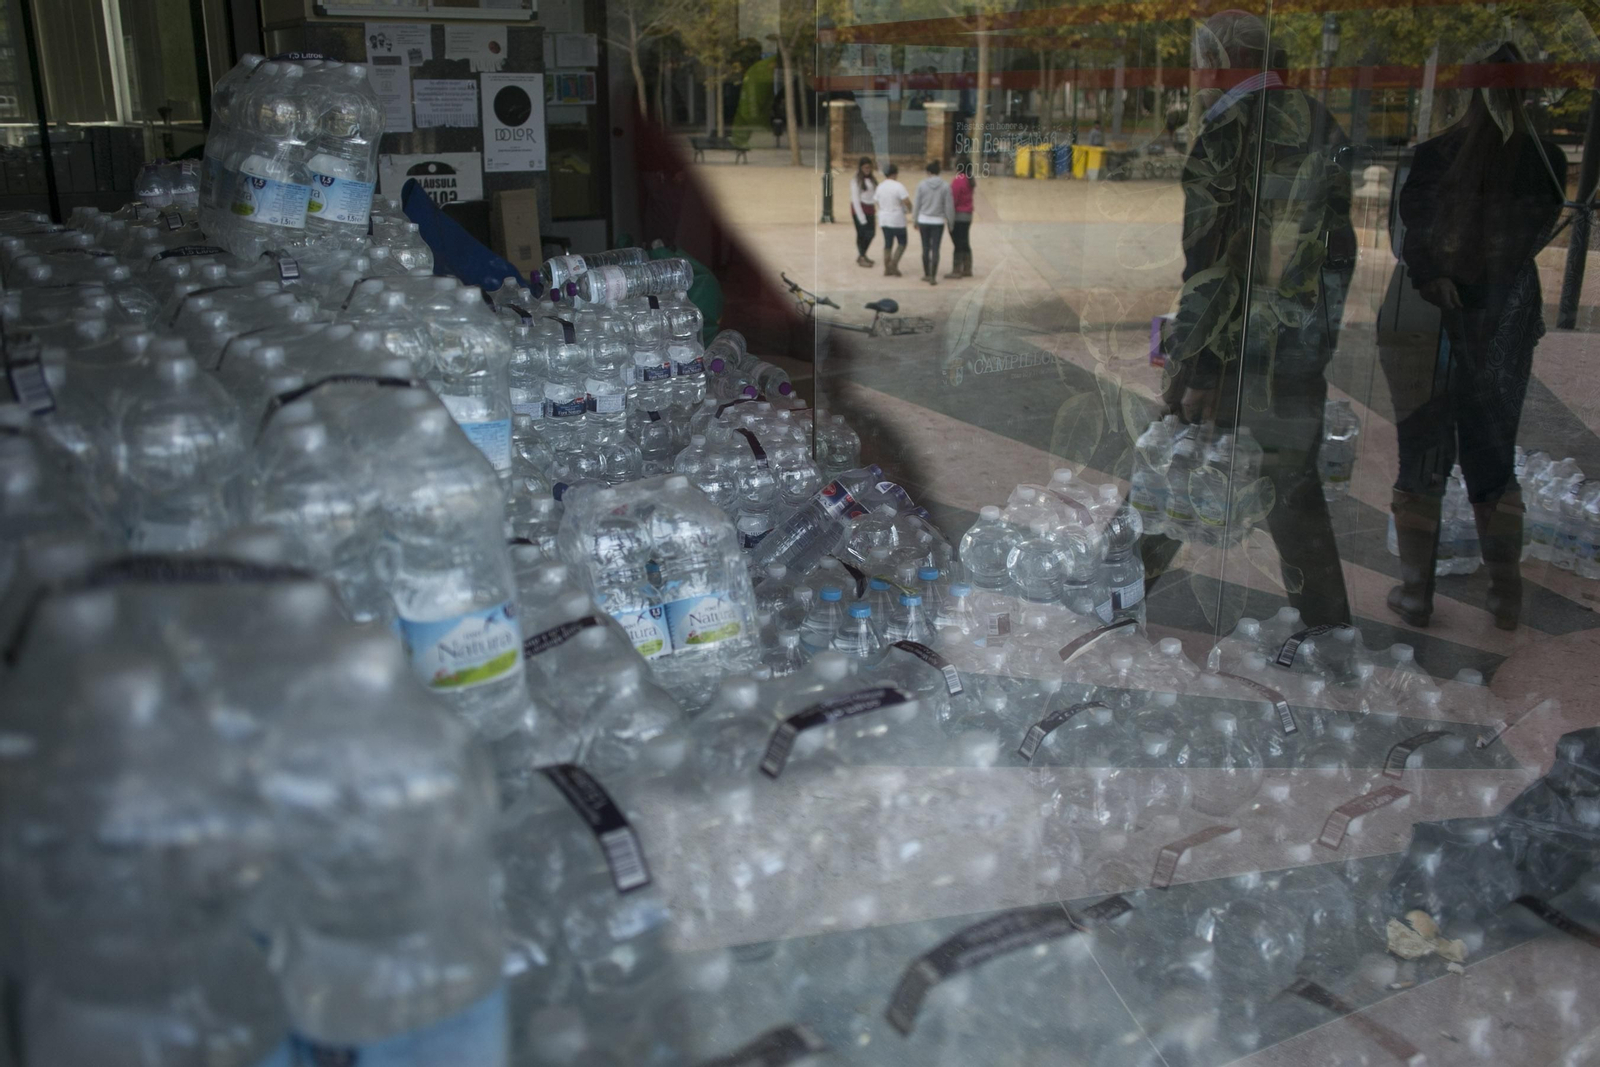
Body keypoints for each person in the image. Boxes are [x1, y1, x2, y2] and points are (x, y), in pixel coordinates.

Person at [1159, 9, 1357, 627]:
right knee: (1289, 480)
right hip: (1296, 342)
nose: (1196, 74)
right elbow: (1336, 250)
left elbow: (1213, 264)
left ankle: (1117, 592)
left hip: (1235, 350)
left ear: (1224, 62)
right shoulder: (1319, 119)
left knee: (1172, 453)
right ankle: (1326, 622)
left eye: (1201, 61)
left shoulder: (1230, 130)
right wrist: (1310, 338)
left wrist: (1199, 366)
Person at [1385, 40, 1566, 631]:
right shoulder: (1545, 160)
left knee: (1421, 451)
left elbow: (1409, 239)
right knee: (1492, 455)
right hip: (1502, 314)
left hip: (1429, 315)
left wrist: (1437, 275)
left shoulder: (1430, 156)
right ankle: (1505, 593)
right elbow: (1532, 234)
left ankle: (1417, 594)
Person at [912, 159, 954, 286]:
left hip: (923, 220)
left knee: (925, 247)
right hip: (938, 221)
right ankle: (933, 277)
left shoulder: (921, 185)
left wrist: (915, 219)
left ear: (928, 172)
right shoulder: (945, 186)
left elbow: (917, 204)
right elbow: (949, 206)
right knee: (936, 248)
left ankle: (926, 274)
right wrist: (950, 222)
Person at [873, 162, 911, 277]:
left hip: (884, 218)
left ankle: (887, 267)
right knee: (902, 242)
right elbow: (906, 201)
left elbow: (876, 201)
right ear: (895, 174)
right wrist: (910, 209)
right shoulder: (898, 186)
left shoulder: (880, 186)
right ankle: (893, 264)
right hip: (897, 218)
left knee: (888, 243)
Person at [945, 160, 975, 279]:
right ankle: (967, 268)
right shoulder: (969, 179)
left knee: (958, 243)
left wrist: (949, 217)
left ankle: (956, 270)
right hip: (967, 215)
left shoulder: (958, 180)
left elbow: (953, 199)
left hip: (958, 216)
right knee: (964, 241)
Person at [848, 157, 877, 268]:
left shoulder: (872, 179)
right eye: (865, 167)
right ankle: (862, 256)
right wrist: (861, 217)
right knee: (862, 234)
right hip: (860, 209)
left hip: (870, 208)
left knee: (871, 233)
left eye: (869, 167)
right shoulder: (856, 180)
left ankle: (862, 254)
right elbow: (855, 199)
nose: (867, 170)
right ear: (861, 168)